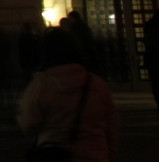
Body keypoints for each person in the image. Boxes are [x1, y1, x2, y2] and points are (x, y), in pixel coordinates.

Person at [18, 27, 116, 161]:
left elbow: (28, 125)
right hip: (94, 154)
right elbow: (111, 128)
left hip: (55, 154)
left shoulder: (41, 85)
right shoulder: (98, 84)